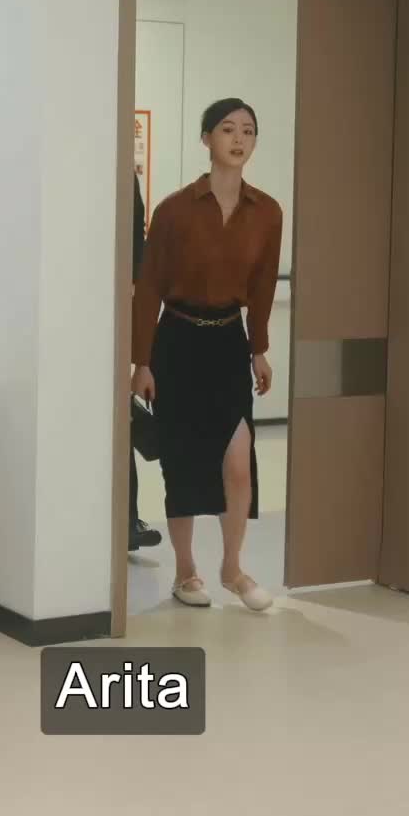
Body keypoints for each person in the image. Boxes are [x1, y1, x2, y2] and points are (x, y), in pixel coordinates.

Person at [131, 98, 282, 611]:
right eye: (227, 129)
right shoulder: (174, 210)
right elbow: (149, 287)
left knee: (238, 462)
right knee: (183, 462)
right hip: (177, 341)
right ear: (206, 139)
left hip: (227, 343)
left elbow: (262, 287)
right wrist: (141, 361)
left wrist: (259, 350)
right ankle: (185, 571)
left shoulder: (267, 212)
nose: (239, 139)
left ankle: (232, 568)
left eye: (248, 131)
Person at [129, 169, 162, 552]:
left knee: (119, 415)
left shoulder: (123, 172)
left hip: (117, 308)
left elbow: (137, 241)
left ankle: (128, 521)